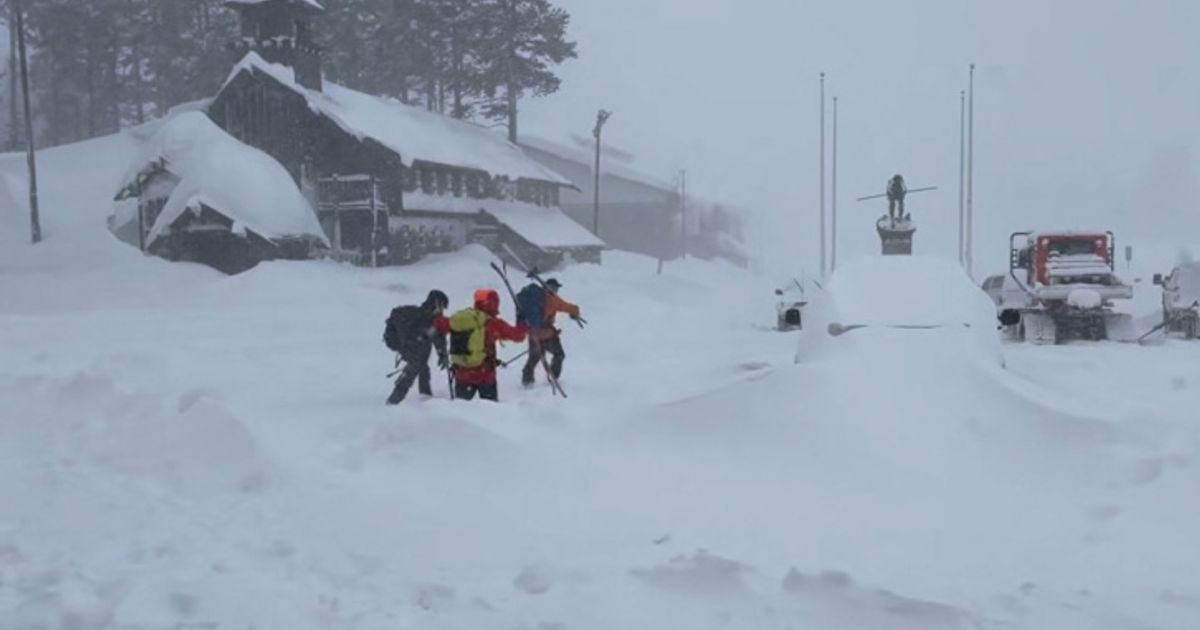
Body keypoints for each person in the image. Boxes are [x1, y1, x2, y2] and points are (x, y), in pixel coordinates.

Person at [437, 288, 528, 401]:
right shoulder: (492, 323)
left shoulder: (461, 320)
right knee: (490, 412)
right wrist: (522, 321)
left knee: (461, 411)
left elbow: (439, 324)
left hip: (462, 374)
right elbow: (518, 336)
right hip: (485, 376)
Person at [384, 290, 450, 405]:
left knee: (422, 367)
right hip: (410, 347)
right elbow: (435, 334)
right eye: (442, 306)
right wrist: (441, 352)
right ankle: (393, 402)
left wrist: (442, 352)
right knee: (415, 367)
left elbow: (436, 335)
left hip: (413, 347)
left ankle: (424, 398)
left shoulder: (428, 316)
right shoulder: (420, 316)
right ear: (437, 303)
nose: (442, 310)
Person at [521, 278, 582, 387]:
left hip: (533, 334)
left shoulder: (534, 299)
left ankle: (527, 382)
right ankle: (554, 377)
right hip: (548, 335)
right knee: (559, 355)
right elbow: (569, 307)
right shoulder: (553, 300)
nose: (556, 290)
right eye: (555, 288)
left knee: (533, 359)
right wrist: (575, 311)